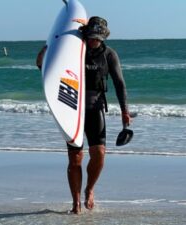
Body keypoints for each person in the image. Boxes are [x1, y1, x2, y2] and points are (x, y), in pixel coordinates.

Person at [36, 16, 131, 214]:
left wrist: (125, 112)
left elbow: (119, 84)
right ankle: (75, 202)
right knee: (75, 158)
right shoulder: (73, 51)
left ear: (103, 37)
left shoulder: (109, 55)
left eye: (97, 38)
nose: (93, 40)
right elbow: (45, 68)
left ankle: (89, 188)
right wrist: (47, 50)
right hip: (72, 109)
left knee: (99, 155)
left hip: (95, 109)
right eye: (90, 37)